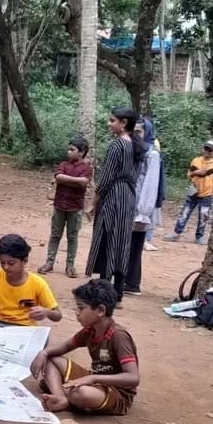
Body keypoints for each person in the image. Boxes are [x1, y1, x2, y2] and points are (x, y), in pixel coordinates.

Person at [31, 279, 139, 415]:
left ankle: (64, 393)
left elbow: (133, 378)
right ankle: (61, 398)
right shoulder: (89, 330)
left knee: (81, 393)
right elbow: (64, 346)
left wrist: (93, 379)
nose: (77, 312)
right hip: (96, 381)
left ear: (100, 310)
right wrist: (44, 353)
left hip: (117, 392)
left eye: (81, 308)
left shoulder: (118, 336)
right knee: (51, 358)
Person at [86, 107, 143, 305]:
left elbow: (107, 177)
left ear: (123, 123)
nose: (109, 124)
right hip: (129, 197)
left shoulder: (117, 145)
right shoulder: (136, 145)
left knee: (107, 239)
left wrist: (93, 202)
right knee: (122, 242)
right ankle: (118, 293)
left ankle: (104, 294)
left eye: (112, 120)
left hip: (113, 196)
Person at [39, 137, 93, 278]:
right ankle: (49, 262)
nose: (68, 152)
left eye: (72, 150)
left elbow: (83, 182)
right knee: (55, 235)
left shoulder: (87, 168)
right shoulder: (64, 164)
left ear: (81, 152)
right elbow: (62, 178)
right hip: (59, 205)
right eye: (68, 149)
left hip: (75, 208)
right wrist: (76, 181)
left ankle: (70, 265)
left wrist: (65, 179)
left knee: (72, 237)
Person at [123, 119, 163, 296]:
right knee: (126, 243)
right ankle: (125, 279)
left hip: (141, 207)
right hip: (130, 202)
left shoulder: (152, 154)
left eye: (139, 132)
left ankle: (132, 283)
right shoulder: (135, 150)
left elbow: (151, 184)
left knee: (135, 244)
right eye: (134, 131)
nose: (136, 135)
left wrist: (143, 212)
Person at [165, 140, 213, 245]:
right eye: (206, 149)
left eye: (210, 150)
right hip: (194, 191)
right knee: (184, 213)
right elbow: (190, 174)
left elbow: (204, 174)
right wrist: (196, 172)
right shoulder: (196, 160)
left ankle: (199, 236)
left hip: (207, 193)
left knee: (203, 216)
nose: (207, 151)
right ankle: (177, 233)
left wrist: (197, 172)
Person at [141, 116, 167, 251]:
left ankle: (146, 239)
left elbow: (154, 175)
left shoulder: (152, 150)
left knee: (148, 211)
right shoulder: (135, 147)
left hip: (149, 184)